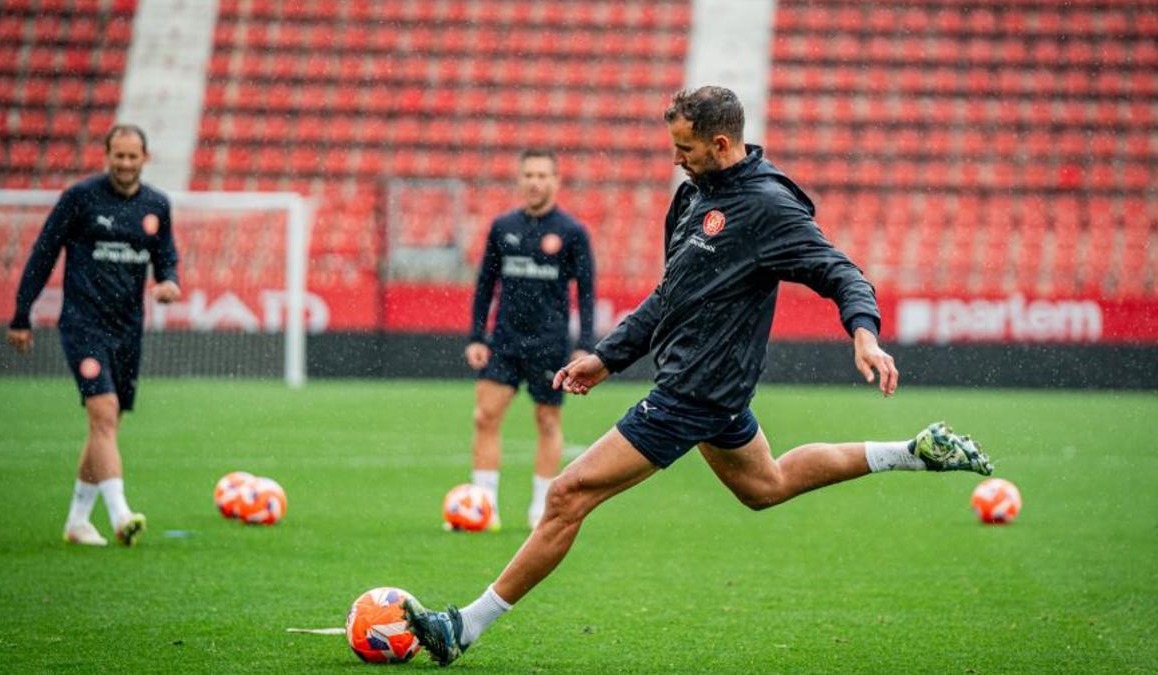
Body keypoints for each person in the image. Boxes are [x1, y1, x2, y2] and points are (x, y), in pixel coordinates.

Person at [405, 86, 993, 665]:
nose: (675, 159)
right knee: (766, 486)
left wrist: (863, 332)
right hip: (713, 391)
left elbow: (842, 272)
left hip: (693, 393)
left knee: (566, 495)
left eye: (684, 148)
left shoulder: (768, 207)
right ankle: (912, 452)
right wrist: (608, 357)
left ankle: (464, 627)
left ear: (720, 142)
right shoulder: (691, 197)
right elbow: (671, 295)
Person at [7, 124, 181, 547]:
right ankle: (122, 516)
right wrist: (21, 315)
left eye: (131, 156)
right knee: (103, 413)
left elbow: (166, 259)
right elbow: (43, 253)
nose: (124, 164)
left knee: (106, 425)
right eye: (117, 156)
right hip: (83, 323)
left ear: (145, 157)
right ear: (106, 155)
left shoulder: (157, 204)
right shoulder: (80, 198)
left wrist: (168, 283)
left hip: (128, 328)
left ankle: (77, 521)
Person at [463, 148, 596, 531]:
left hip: (549, 343)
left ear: (555, 180)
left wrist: (583, 343)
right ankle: (482, 503)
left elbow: (586, 291)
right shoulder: (502, 226)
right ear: (519, 180)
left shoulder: (572, 232)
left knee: (547, 421)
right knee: (485, 416)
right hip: (505, 340)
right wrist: (477, 335)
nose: (535, 181)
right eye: (529, 175)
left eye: (542, 175)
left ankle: (541, 504)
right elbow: (486, 284)